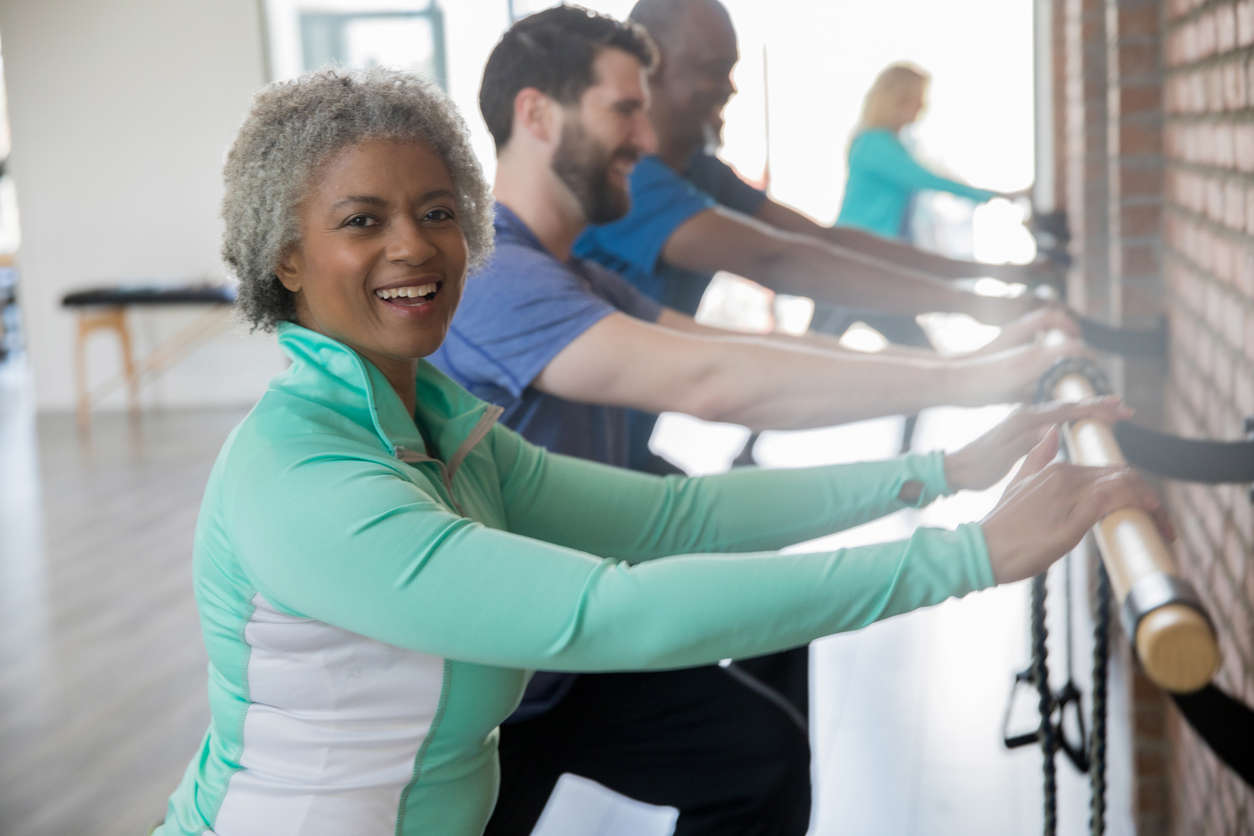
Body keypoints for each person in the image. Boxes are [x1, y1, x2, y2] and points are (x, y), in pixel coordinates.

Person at [154, 68, 1167, 836]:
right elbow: (610, 608)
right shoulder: (305, 476)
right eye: (361, 222)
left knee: (757, 750)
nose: (415, 247)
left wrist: (943, 470)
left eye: (434, 214)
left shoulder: (439, 423)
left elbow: (671, 517)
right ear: (285, 255)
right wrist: (970, 554)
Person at [433, 8, 1111, 835]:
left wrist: (973, 386)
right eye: (624, 110)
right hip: (476, 693)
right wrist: (976, 374)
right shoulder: (494, 276)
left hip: (561, 650)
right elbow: (719, 380)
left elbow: (736, 355)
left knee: (758, 760)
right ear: (536, 113)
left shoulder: (577, 276)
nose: (646, 140)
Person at [572, 0, 1061, 471]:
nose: (730, 87)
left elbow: (824, 241)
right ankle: (922, 465)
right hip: (583, 465)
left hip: (627, 453)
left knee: (821, 360)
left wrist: (999, 280)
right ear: (647, 66)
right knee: (816, 366)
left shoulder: (699, 172)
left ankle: (919, 465)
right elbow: (777, 261)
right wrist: (982, 316)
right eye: (712, 67)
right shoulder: (632, 185)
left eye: (730, 69)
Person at [837, 62, 1012, 240]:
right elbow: (928, 178)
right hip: (859, 245)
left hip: (882, 244)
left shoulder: (895, 143)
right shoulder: (874, 144)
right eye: (917, 98)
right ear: (898, 100)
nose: (922, 106)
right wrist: (988, 195)